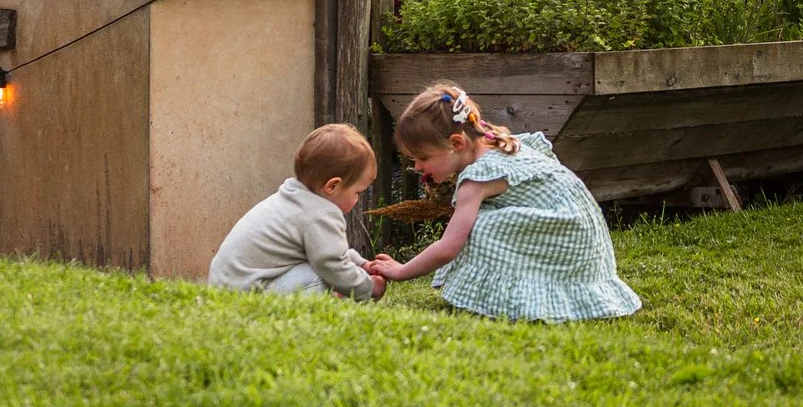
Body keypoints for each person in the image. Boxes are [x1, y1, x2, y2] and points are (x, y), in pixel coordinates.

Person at [365, 82, 639, 322]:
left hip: (568, 233)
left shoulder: (477, 178)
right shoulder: (498, 142)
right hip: (583, 228)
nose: (418, 166)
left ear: (456, 143)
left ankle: (522, 296)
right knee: (482, 220)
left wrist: (402, 270)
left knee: (478, 228)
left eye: (422, 158)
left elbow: (449, 247)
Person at [208, 124, 384, 301]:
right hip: (246, 298)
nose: (358, 199)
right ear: (333, 186)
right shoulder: (320, 214)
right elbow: (332, 264)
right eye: (357, 192)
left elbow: (331, 251)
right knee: (322, 276)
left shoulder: (294, 199)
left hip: (229, 289)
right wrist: (368, 287)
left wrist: (362, 264)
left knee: (320, 266)